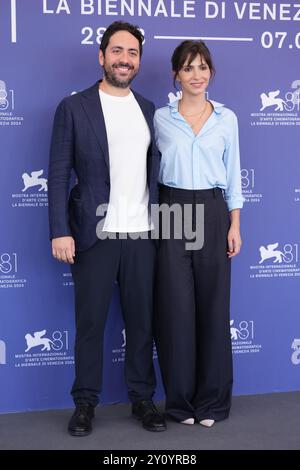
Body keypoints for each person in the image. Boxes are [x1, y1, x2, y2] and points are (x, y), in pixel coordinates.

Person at [48, 21, 166, 436]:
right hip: (93, 235)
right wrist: (60, 230)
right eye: (117, 51)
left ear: (138, 61)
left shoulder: (150, 110)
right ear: (101, 57)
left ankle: (142, 399)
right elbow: (59, 173)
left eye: (132, 53)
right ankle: (84, 404)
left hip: (141, 235)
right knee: (91, 324)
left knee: (141, 322)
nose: (124, 59)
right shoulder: (74, 107)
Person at [154, 40, 244, 427]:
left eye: (203, 67)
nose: (197, 75)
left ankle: (212, 403)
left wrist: (235, 223)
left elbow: (234, 175)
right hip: (171, 209)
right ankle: (179, 404)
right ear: (176, 73)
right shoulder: (159, 118)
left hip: (213, 210)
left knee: (213, 308)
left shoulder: (227, 119)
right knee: (176, 312)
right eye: (188, 68)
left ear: (211, 73)